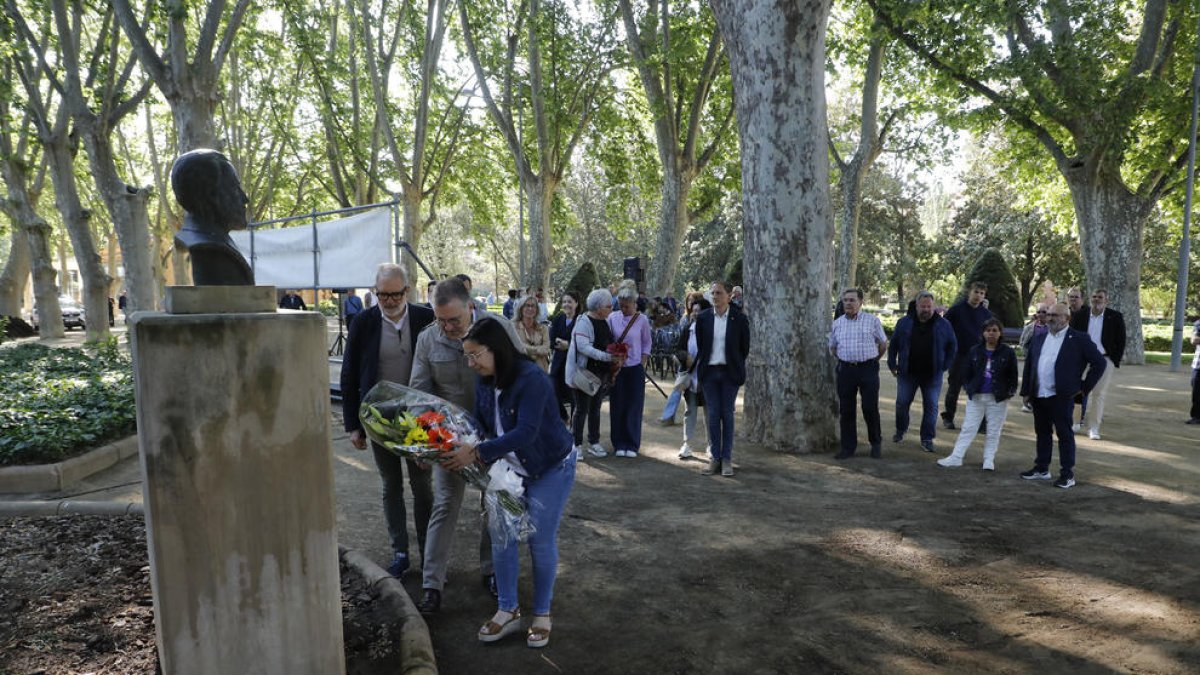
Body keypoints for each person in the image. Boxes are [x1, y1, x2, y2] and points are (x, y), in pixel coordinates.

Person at [439, 317, 576, 649]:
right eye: (467, 357)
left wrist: (478, 452)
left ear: (496, 348)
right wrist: (443, 446)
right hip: (507, 471)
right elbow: (482, 426)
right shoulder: (485, 379)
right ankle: (508, 610)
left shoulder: (532, 379)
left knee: (539, 540)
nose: (471, 364)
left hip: (549, 468)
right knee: (502, 538)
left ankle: (542, 614)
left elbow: (525, 433)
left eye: (475, 355)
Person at [410, 278, 523, 614]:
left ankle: (492, 571)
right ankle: (432, 584)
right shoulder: (427, 340)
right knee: (444, 506)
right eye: (440, 319)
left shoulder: (498, 328)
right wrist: (427, 444)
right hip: (450, 442)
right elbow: (419, 396)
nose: (446, 327)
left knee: (494, 506)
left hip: (495, 438)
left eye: (454, 320)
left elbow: (521, 377)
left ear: (470, 306)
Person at [340, 263, 435, 578]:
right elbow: (350, 373)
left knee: (423, 486)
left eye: (395, 294)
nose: (390, 300)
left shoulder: (425, 318)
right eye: (383, 295)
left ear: (406, 291)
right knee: (390, 485)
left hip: (419, 419)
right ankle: (400, 552)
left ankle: (429, 554)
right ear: (374, 292)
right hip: (379, 418)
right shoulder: (363, 323)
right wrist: (353, 424)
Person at [1019, 302, 1106, 489]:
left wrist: (1084, 388)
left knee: (1064, 434)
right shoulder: (1040, 337)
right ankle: (1042, 468)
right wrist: (1026, 391)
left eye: (1056, 315)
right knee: (1042, 432)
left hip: (1063, 395)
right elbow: (1030, 365)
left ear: (1067, 318)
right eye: (1049, 315)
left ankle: (1067, 474)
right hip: (1039, 393)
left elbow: (1099, 363)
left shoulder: (1079, 339)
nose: (1050, 318)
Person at [937, 318, 1019, 470]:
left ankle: (989, 459)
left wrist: (1009, 392)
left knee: (994, 430)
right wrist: (969, 387)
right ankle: (956, 456)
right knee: (969, 427)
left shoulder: (1007, 352)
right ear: (983, 333)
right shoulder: (975, 350)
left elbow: (1013, 375)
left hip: (997, 398)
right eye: (988, 330)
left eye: (994, 330)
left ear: (1000, 333)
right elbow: (967, 372)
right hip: (976, 397)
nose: (991, 334)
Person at [169, 148, 254, 286]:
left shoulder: (215, 242)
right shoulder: (213, 250)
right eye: (234, 188)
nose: (245, 199)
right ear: (210, 195)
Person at [887, 291, 957, 454]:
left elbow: (952, 346)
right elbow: (894, 345)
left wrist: (944, 365)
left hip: (932, 374)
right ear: (916, 306)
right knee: (902, 403)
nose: (926, 309)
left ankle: (927, 438)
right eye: (922, 306)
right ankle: (900, 430)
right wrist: (892, 363)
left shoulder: (944, 324)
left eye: (929, 306)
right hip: (907, 373)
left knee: (931, 406)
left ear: (934, 307)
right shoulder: (904, 322)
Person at [695, 281, 751, 476]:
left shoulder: (739, 318)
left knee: (727, 414)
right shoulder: (702, 318)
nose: (715, 296)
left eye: (719, 293)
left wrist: (733, 363)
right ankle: (714, 458)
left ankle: (726, 458)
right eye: (712, 293)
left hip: (729, 373)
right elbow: (702, 346)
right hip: (709, 373)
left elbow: (744, 348)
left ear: (729, 296)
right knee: (712, 415)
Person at [829, 288, 888, 459]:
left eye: (852, 300)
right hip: (846, 370)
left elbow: (883, 344)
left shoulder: (872, 321)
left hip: (867, 369)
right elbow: (832, 347)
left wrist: (874, 360)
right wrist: (844, 359)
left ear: (861, 302)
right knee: (846, 410)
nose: (848, 303)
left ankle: (875, 443)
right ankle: (848, 447)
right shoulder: (837, 323)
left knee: (869, 408)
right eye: (845, 300)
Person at [565, 288, 620, 458]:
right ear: (598, 307)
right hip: (585, 373)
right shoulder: (584, 322)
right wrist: (607, 356)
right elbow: (583, 347)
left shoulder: (604, 320)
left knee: (595, 408)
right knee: (581, 410)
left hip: (600, 373)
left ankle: (594, 442)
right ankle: (576, 445)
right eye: (608, 306)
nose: (612, 308)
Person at [1069, 289, 1126, 440]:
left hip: (1104, 359)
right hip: (1081, 358)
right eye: (1094, 297)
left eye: (1100, 297)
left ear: (1106, 300)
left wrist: (1114, 360)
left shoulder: (1115, 317)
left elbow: (1121, 341)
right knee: (1079, 391)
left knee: (1099, 394)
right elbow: (1071, 337)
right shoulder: (1080, 315)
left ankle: (1094, 428)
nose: (1096, 299)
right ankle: (1075, 422)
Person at [608, 280, 653, 458]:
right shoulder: (612, 318)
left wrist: (643, 362)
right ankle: (618, 442)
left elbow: (646, 342)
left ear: (635, 304)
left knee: (634, 405)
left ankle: (632, 443)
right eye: (621, 306)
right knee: (617, 404)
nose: (624, 309)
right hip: (617, 367)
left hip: (635, 367)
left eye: (627, 306)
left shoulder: (642, 320)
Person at [942, 281, 992, 430]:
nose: (978, 296)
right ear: (969, 292)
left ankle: (981, 422)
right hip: (959, 355)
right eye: (976, 292)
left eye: (982, 293)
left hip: (980, 357)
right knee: (954, 387)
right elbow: (944, 329)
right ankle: (949, 417)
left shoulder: (986, 314)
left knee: (980, 389)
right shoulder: (956, 310)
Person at [669, 295, 712, 459]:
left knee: (710, 413)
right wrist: (685, 356)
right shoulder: (687, 329)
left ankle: (712, 445)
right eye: (693, 311)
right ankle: (687, 444)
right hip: (690, 378)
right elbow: (677, 349)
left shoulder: (711, 331)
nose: (695, 314)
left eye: (699, 311)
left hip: (707, 378)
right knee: (690, 411)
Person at [549, 291, 582, 423]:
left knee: (573, 394)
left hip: (574, 363)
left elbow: (582, 342)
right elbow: (551, 340)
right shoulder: (558, 319)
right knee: (552, 389)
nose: (566, 304)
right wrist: (558, 343)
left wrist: (568, 345)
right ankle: (563, 416)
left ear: (576, 303)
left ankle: (574, 423)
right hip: (558, 363)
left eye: (569, 301)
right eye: (564, 302)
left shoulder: (581, 320)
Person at [1018, 304, 1050, 412]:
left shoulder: (1051, 328)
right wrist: (1028, 354)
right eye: (1039, 312)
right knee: (1030, 379)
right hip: (1032, 359)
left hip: (1047, 360)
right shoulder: (1030, 327)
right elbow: (1023, 342)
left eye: (1044, 312)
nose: (1041, 314)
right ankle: (1029, 402)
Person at [513, 294, 551, 371]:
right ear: (521, 308)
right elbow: (517, 347)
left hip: (540, 370)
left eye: (533, 306)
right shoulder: (513, 327)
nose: (530, 308)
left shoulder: (543, 328)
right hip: (520, 370)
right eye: (527, 305)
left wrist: (527, 350)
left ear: (537, 310)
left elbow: (546, 349)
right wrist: (538, 350)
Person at [1189, 317, 1200, 425]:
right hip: (1198, 364)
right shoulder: (1198, 324)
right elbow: (1193, 340)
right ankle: (1196, 416)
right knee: (1196, 391)